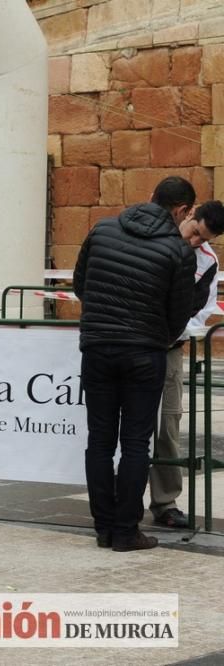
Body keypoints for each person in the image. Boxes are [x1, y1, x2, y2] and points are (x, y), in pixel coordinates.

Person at [73, 176, 196, 552]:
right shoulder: (178, 250)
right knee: (135, 443)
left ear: (150, 196)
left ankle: (104, 528)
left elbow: (81, 286)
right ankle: (126, 532)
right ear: (181, 211)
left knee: (99, 441)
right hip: (144, 353)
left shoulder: (102, 229)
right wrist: (154, 334)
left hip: (97, 347)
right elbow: (179, 316)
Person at [150, 200, 224, 529]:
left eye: (203, 239)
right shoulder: (152, 240)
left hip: (169, 348)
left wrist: (175, 334)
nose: (195, 241)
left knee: (167, 425)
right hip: (134, 343)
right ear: (188, 213)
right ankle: (117, 496)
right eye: (195, 232)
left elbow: (203, 312)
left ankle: (165, 502)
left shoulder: (207, 261)